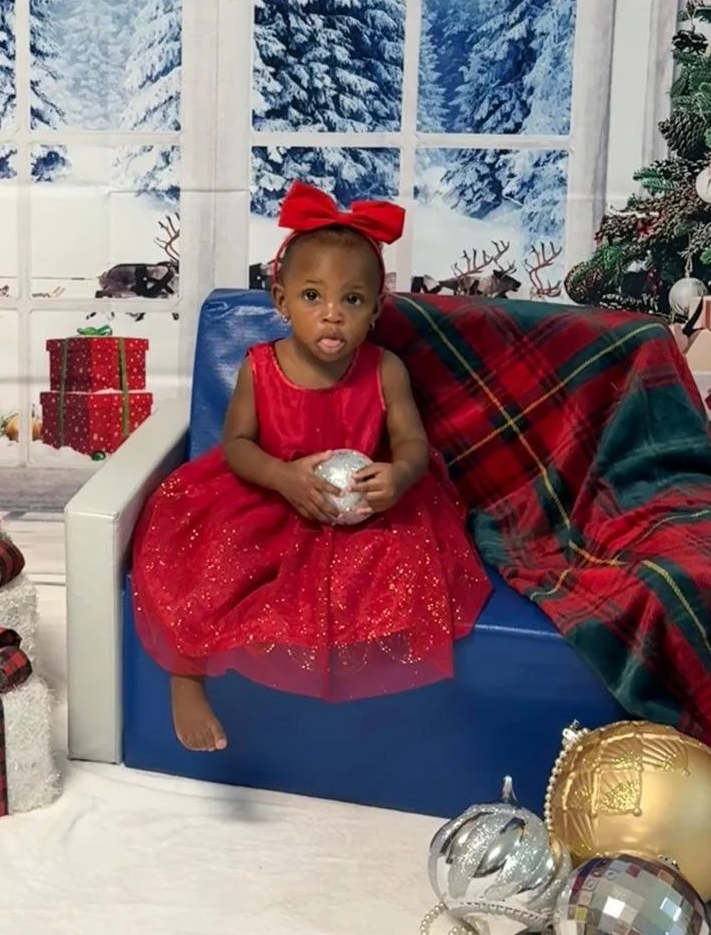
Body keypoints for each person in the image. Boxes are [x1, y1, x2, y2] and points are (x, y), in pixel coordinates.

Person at [131, 181, 491, 752]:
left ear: (375, 309)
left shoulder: (385, 369)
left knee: (394, 572)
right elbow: (237, 446)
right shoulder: (261, 367)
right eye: (312, 296)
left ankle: (387, 723)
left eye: (351, 300)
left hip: (359, 510)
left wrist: (397, 477)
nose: (332, 316)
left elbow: (413, 444)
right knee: (208, 562)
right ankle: (187, 676)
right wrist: (282, 476)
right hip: (270, 495)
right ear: (280, 300)